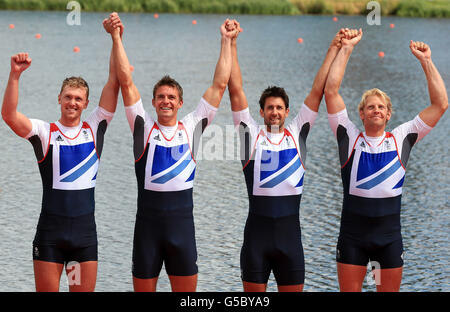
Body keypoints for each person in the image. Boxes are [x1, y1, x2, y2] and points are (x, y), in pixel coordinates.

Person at [104, 13, 238, 292]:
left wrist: (226, 41)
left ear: (180, 103)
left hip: (182, 234)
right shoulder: (143, 127)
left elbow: (219, 85)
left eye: (171, 97)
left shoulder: (192, 127)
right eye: (161, 97)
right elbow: (126, 82)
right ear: (153, 102)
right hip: (147, 234)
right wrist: (116, 37)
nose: (166, 101)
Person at [1, 19, 123, 291]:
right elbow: (9, 116)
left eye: (78, 99)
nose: (72, 102)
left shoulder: (94, 128)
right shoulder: (44, 132)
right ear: (59, 99)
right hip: (50, 238)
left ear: (86, 104)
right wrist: (14, 76)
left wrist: (115, 38)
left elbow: (114, 82)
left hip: (84, 239)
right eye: (68, 97)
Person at [324, 29, 448, 291]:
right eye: (371, 106)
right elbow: (331, 91)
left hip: (389, 240)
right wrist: (346, 49)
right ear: (362, 113)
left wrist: (426, 61)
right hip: (352, 238)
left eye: (381, 107)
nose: (376, 109)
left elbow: (440, 104)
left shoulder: (401, 138)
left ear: (389, 114)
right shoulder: (348, 137)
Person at [228, 21, 345, 292]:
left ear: (288, 111)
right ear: (261, 112)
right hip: (256, 243)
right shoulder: (251, 136)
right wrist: (232, 43)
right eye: (270, 108)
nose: (275, 112)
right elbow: (235, 91)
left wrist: (333, 49)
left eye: (280, 108)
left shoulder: (298, 133)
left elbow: (318, 91)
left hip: (290, 243)